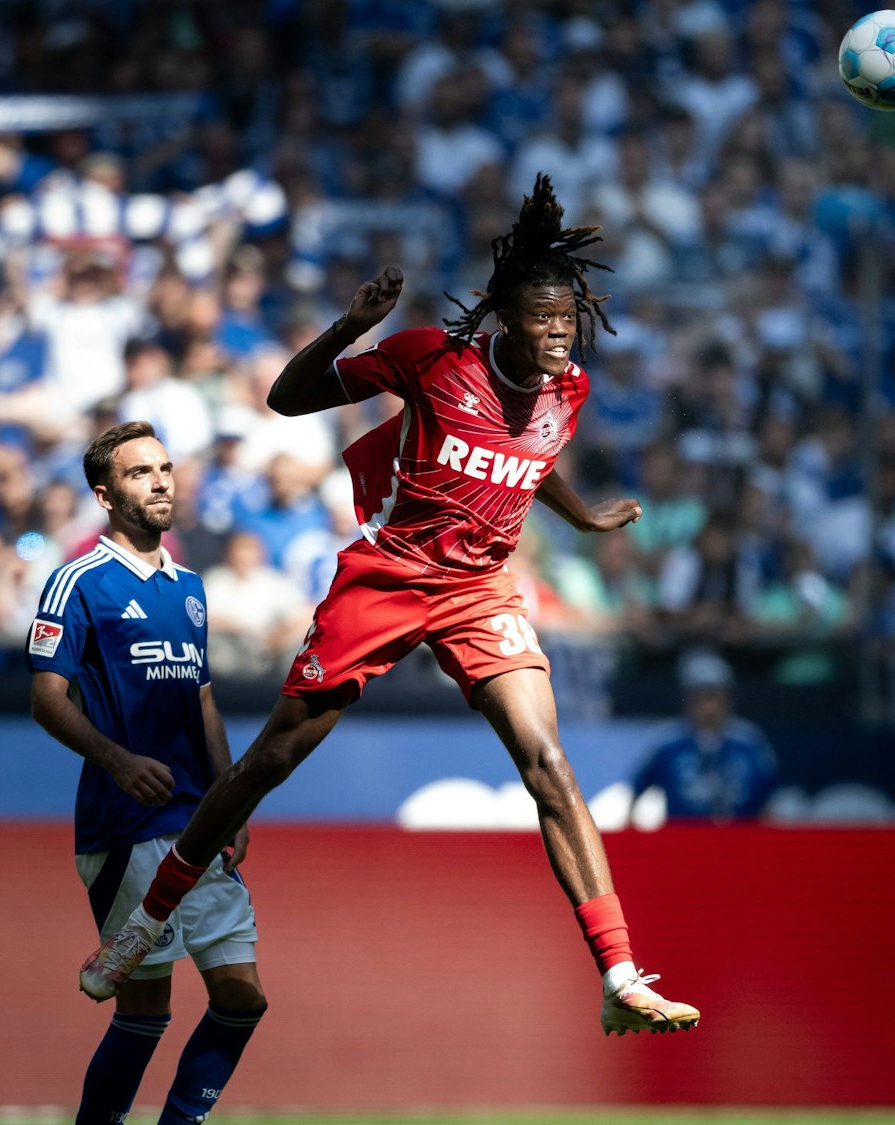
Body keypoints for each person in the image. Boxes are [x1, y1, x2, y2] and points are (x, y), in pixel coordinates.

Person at [80, 175, 700, 1036]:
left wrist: (584, 515)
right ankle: (146, 918)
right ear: (504, 320)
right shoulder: (431, 360)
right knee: (270, 759)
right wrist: (351, 325)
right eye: (544, 317)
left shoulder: (571, 390)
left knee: (548, 761)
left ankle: (620, 972)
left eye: (570, 317)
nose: (561, 331)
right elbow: (286, 398)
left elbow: (530, 455)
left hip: (480, 590)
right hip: (390, 575)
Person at [29, 421, 267, 1125]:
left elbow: (201, 696)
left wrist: (233, 801)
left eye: (165, 467)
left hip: (197, 817)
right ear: (105, 493)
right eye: (140, 472)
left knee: (241, 996)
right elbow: (45, 700)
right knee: (145, 1009)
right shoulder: (77, 581)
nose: (161, 480)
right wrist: (117, 758)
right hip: (125, 822)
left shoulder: (189, 585)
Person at [631, 649, 778, 821]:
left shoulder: (749, 740)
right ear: (687, 701)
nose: (709, 708)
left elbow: (770, 798)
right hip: (683, 838)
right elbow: (637, 792)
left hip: (741, 839)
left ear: (729, 700)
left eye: (715, 698)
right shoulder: (666, 742)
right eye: (701, 699)